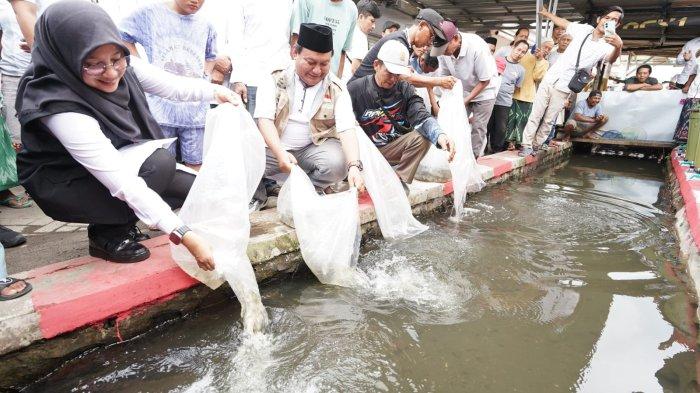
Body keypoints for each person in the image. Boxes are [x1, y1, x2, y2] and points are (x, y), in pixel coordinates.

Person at [16, 1, 241, 265]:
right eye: (93, 64)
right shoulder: (57, 103)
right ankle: (107, 234)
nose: (111, 72)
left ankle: (122, 220)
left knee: (194, 188)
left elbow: (172, 86)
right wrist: (184, 235)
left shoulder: (122, 64)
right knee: (158, 164)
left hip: (112, 161)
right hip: (65, 180)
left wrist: (217, 92)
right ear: (67, 56)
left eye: (116, 59)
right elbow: (120, 178)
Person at [253, 23, 365, 205]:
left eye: (324, 64)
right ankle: (257, 196)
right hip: (271, 149)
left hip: (309, 150)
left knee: (339, 163)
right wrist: (281, 153)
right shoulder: (274, 77)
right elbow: (264, 120)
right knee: (240, 158)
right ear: (295, 53)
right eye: (310, 62)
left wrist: (354, 167)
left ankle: (306, 193)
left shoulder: (336, 88)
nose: (316, 71)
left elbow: (346, 129)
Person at [119, 0, 217, 171]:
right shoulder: (150, 13)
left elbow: (211, 55)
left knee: (196, 163)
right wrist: (141, 69)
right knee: (162, 164)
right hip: (161, 108)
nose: (196, 1)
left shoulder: (206, 25)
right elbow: (122, 35)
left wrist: (204, 76)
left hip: (194, 111)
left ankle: (191, 197)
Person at [347, 40, 454, 191]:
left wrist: (440, 135)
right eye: (389, 72)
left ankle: (397, 179)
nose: (393, 79)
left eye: (397, 74)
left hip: (390, 149)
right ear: (376, 65)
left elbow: (421, 116)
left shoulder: (405, 89)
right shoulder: (355, 89)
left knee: (423, 137)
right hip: (365, 152)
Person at [519, 6, 624, 156]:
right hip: (551, 77)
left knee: (549, 118)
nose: (609, 22)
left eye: (614, 20)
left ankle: (537, 144)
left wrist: (619, 46)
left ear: (617, 25)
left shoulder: (608, 45)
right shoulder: (584, 29)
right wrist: (546, 13)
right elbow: (564, 23)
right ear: (599, 19)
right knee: (535, 113)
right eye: (607, 18)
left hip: (566, 84)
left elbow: (611, 59)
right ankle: (526, 144)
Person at [214, 0, 294, 116]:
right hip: (251, 80)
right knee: (249, 130)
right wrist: (238, 79)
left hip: (280, 80)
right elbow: (235, 38)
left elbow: (288, 38)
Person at [349, 8, 456, 92]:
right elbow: (403, 78)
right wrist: (439, 81)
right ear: (421, 26)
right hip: (358, 95)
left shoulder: (406, 44)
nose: (430, 43)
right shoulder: (397, 42)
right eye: (431, 36)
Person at [437, 29, 498, 157]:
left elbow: (485, 80)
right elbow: (444, 75)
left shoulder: (476, 46)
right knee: (457, 123)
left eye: (445, 49)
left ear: (455, 39)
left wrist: (466, 100)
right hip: (463, 90)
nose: (444, 53)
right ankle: (455, 155)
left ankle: (473, 158)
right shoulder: (443, 51)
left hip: (485, 91)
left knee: (478, 126)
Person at [0, 1, 33, 209]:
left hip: (43, 69)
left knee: (49, 127)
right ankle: (29, 183)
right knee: (16, 135)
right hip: (10, 72)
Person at [503, 30, 548, 151]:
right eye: (521, 36)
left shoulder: (533, 57)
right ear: (515, 36)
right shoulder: (505, 52)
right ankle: (508, 143)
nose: (523, 38)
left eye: (526, 37)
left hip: (527, 95)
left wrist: (539, 59)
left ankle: (517, 144)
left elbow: (537, 77)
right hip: (510, 94)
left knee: (522, 121)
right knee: (509, 120)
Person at [290, 0, 357, 78]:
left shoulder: (352, 9)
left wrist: (337, 80)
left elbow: (343, 51)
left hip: (329, 79)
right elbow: (296, 39)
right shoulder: (306, 1)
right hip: (303, 76)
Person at [487, 39, 526, 153]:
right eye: (518, 49)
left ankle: (496, 151)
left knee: (500, 129)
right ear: (513, 47)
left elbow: (517, 87)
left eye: (523, 52)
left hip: (504, 103)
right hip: (489, 99)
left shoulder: (521, 70)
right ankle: (481, 151)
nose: (519, 53)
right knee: (486, 127)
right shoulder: (497, 60)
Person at [345, 0, 381, 77]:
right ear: (361, 17)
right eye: (372, 21)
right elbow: (356, 68)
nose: (374, 26)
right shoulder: (360, 36)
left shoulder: (349, 29)